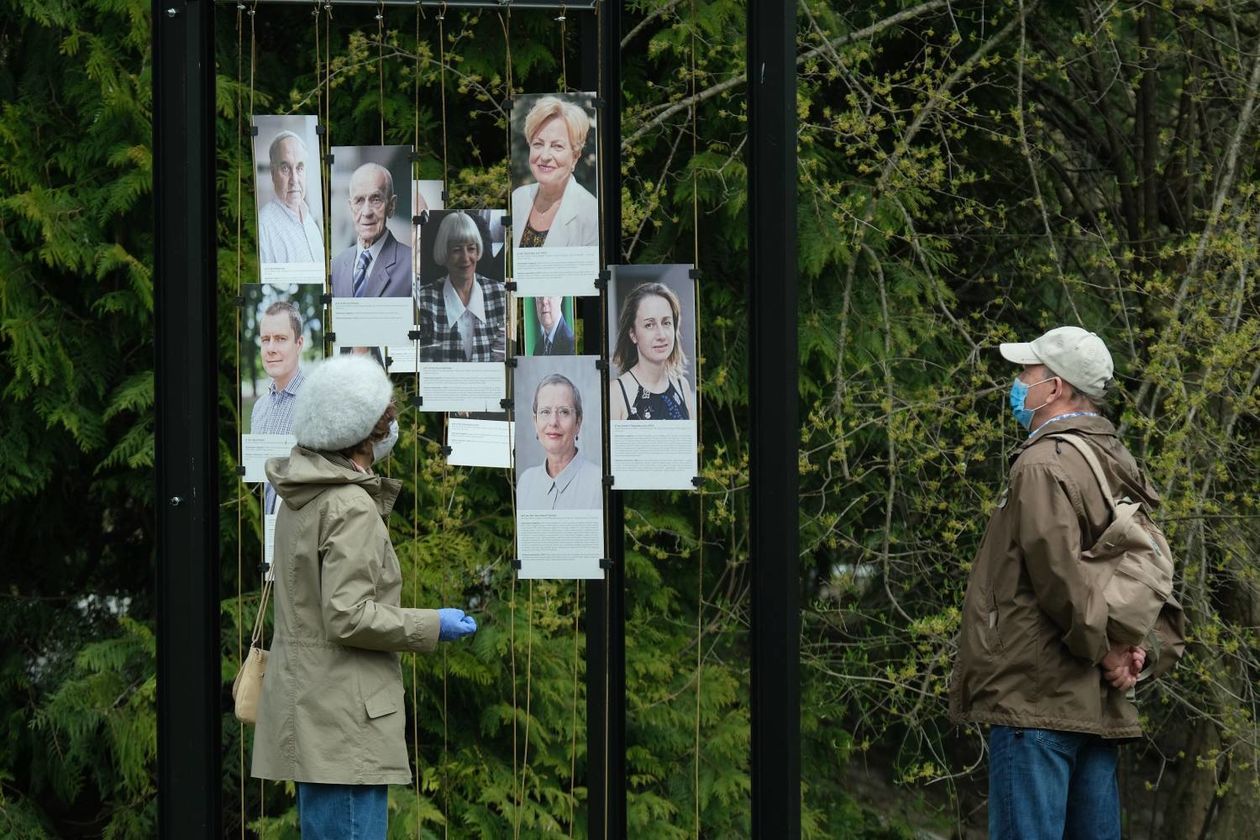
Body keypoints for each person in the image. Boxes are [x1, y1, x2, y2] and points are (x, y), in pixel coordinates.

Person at [949, 326, 1183, 840]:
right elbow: (1125, 568)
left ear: (1054, 388)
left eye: (1026, 373)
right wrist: (1131, 650)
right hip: (1093, 706)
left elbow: (1060, 580)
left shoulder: (1040, 464)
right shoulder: (1113, 459)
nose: (1017, 383)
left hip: (1036, 699)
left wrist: (1106, 651)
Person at [252, 354, 478, 839]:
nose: (389, 434)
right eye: (384, 425)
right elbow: (347, 617)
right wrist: (432, 623)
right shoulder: (349, 504)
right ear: (364, 435)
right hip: (345, 722)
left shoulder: (302, 493)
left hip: (315, 711)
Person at [414, 212, 507, 362]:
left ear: (478, 252)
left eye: (471, 249)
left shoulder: (501, 295)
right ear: (444, 253)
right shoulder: (425, 300)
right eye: (456, 250)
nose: (465, 258)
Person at [511, 97, 598, 249]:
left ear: (575, 156)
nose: (544, 156)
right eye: (538, 144)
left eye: (557, 146)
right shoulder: (517, 198)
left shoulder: (591, 213)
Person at [250, 300, 306, 514]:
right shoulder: (259, 409)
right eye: (266, 340)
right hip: (271, 528)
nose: (271, 349)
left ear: (299, 343)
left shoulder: (316, 402)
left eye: (281, 339)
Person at [609, 282, 695, 421]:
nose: (661, 335)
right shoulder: (616, 393)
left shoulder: (682, 387)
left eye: (666, 323)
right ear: (633, 334)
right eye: (649, 325)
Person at [516, 373, 602, 510]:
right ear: (535, 422)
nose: (553, 422)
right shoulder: (525, 483)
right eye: (545, 412)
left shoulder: (599, 483)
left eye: (563, 412)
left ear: (578, 423)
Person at [330, 162, 412, 298]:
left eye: (376, 199)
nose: (366, 212)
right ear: (351, 207)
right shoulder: (335, 266)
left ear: (391, 206)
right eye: (359, 201)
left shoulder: (411, 265)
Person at [257, 130, 325, 265]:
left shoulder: (309, 219)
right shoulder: (263, 227)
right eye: (286, 168)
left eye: (299, 168)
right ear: (272, 173)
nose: (294, 180)